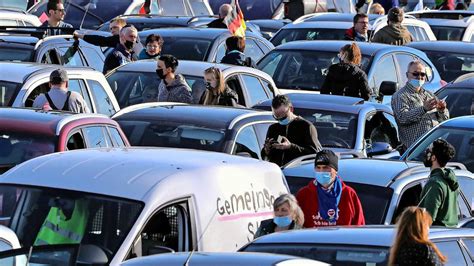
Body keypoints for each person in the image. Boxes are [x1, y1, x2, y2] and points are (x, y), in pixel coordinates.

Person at [296, 150, 365, 227]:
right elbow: (296, 226)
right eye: (318, 167)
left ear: (336, 171)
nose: (321, 171)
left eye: (326, 168)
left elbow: (359, 226)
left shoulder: (348, 194)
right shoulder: (304, 194)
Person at [391, 61, 449, 150]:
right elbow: (402, 118)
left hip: (435, 147)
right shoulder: (400, 95)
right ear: (407, 75)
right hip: (415, 150)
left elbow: (444, 120)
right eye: (415, 74)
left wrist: (442, 110)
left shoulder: (429, 94)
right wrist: (424, 109)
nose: (419, 77)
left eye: (422, 74)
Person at [262, 95, 322, 167]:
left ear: (291, 109)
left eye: (283, 116)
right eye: (276, 117)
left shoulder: (306, 126)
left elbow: (314, 153)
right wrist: (266, 151)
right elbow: (266, 156)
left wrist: (291, 147)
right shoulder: (273, 128)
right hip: (276, 171)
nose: (280, 119)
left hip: (297, 172)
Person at [419, 139, 459, 227]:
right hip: (449, 236)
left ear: (433, 158)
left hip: (437, 236)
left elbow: (428, 219)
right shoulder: (449, 178)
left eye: (429, 151)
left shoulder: (434, 183)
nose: (426, 153)